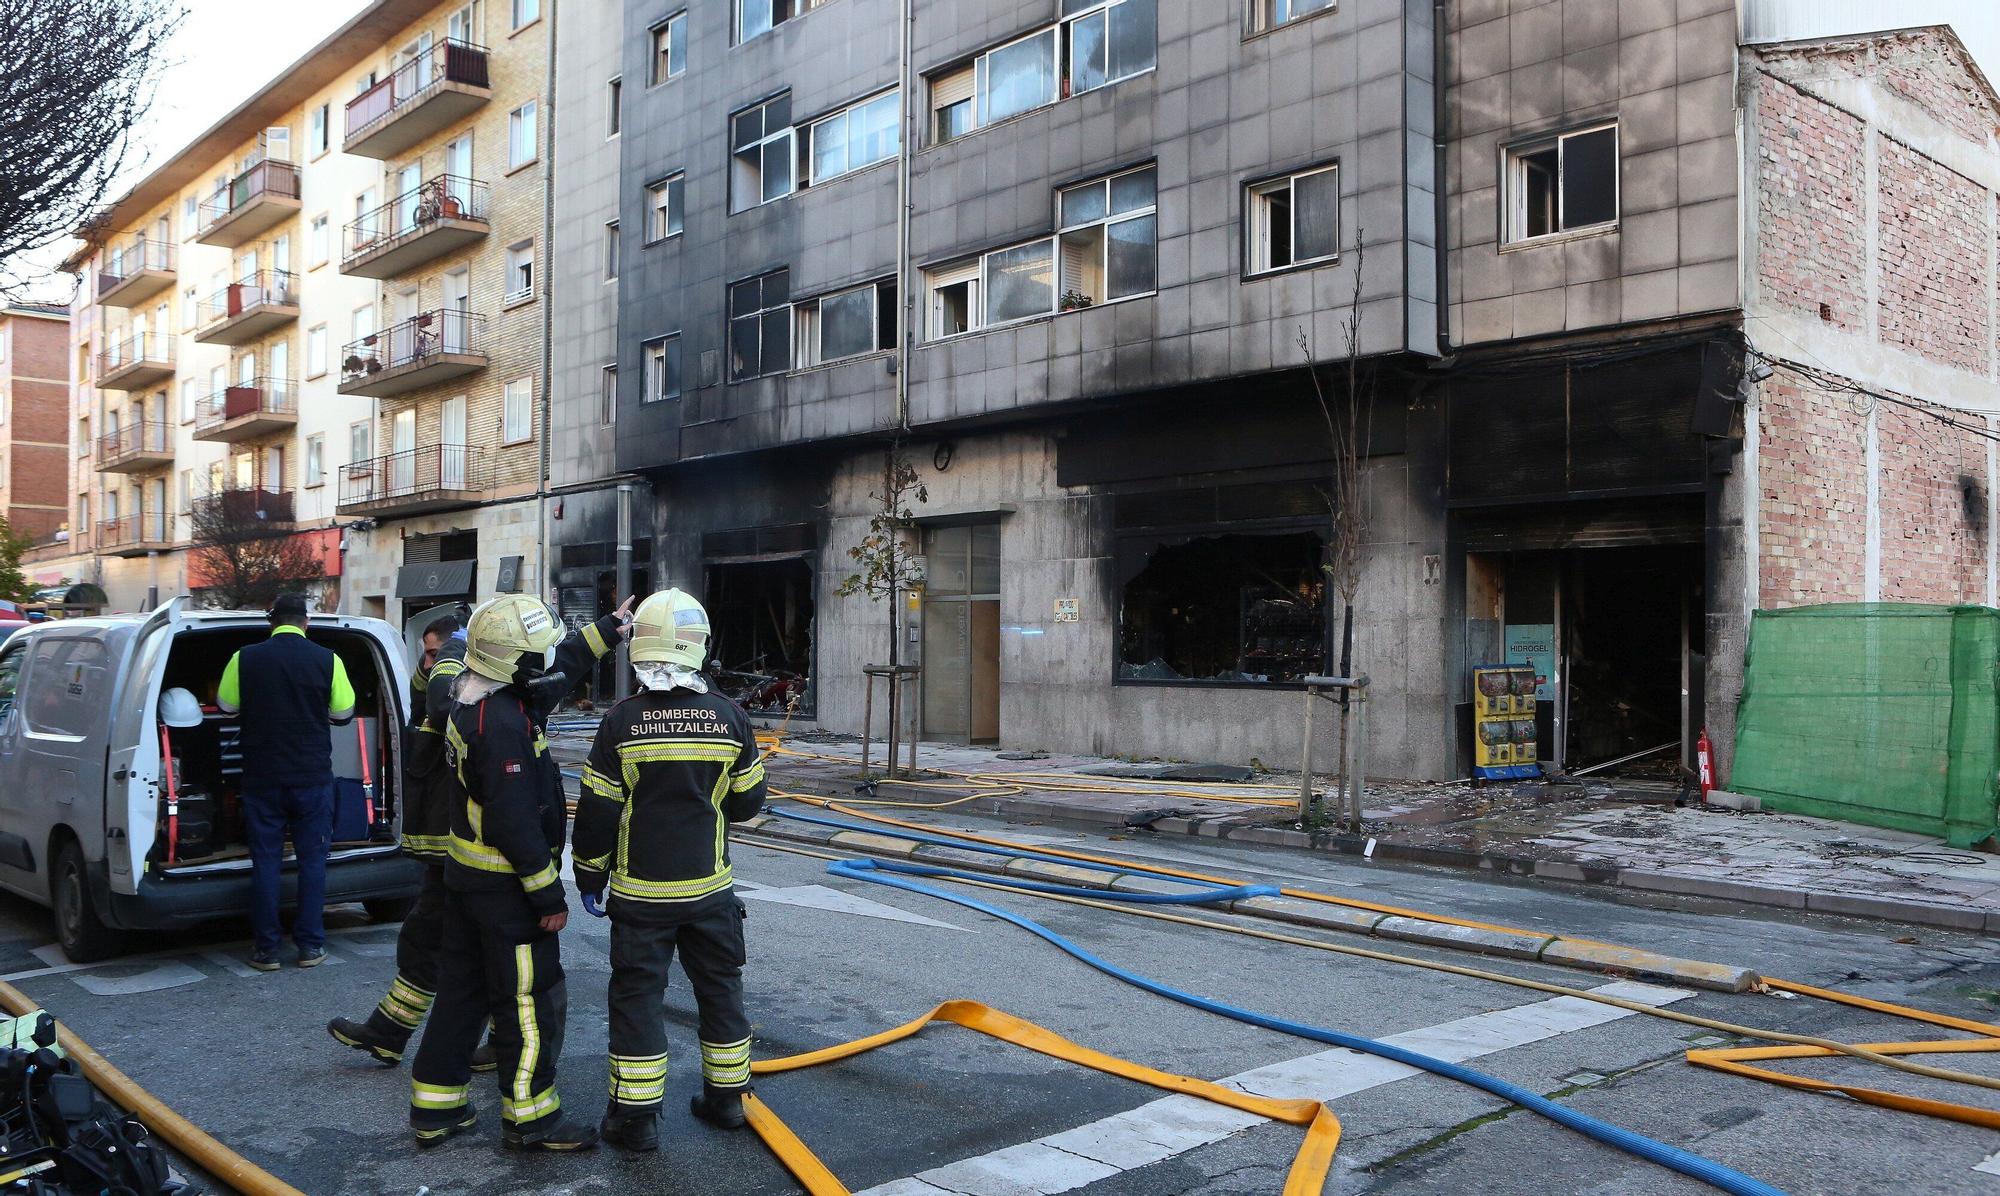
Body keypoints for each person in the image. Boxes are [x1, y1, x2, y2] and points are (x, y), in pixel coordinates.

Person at [407, 594, 629, 1152]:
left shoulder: (478, 696)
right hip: (506, 891)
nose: (545, 661)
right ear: (515, 663)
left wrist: (609, 629)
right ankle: (531, 1119)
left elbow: (561, 668)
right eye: (536, 654)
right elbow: (513, 820)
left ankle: (436, 1107)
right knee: (528, 1004)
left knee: (461, 995)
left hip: (466, 881)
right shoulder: (503, 723)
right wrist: (546, 895)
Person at [573, 589, 767, 1152]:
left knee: (637, 999)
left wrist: (589, 877)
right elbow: (749, 801)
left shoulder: (620, 724)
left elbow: (596, 812)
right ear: (699, 647)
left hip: (641, 899)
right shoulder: (730, 718)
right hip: (710, 893)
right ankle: (727, 1101)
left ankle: (634, 1121)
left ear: (639, 651)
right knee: (721, 991)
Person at [328, 613, 489, 1068]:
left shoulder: (466, 698)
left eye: (438, 654)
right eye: (426, 653)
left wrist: (454, 652)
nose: (430, 663)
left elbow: (440, 703)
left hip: (457, 848)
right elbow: (425, 697)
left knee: (435, 940)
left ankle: (391, 1032)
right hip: (445, 848)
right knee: (443, 942)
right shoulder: (450, 684)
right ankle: (390, 1031)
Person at [216, 593, 355, 971]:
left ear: (271, 622)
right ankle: (310, 946)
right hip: (311, 778)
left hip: (262, 777)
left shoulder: (244, 657)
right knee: (313, 861)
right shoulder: (328, 660)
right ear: (305, 623)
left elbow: (226, 706)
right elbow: (344, 712)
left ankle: (267, 950)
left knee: (265, 862)